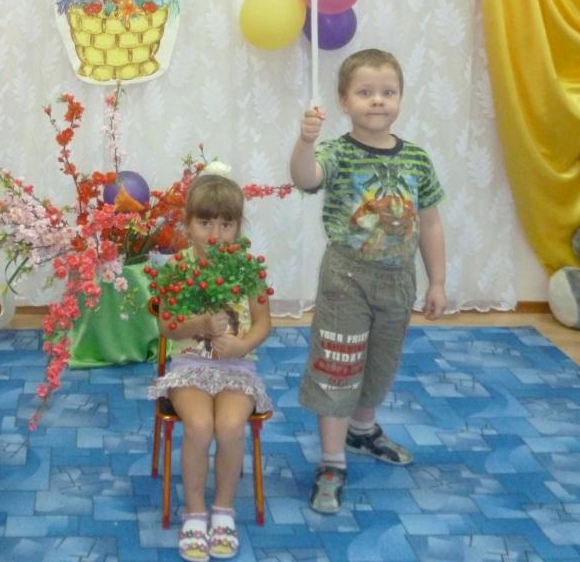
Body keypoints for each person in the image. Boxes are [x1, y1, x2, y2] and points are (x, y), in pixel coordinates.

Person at [289, 47, 447, 515]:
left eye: (387, 92)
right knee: (338, 365)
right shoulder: (336, 152)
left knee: (381, 363)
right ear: (344, 100)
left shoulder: (417, 159)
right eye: (365, 92)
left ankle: (362, 430)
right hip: (346, 280)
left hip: (398, 280)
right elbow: (305, 178)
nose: (377, 100)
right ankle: (332, 462)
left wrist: (437, 281)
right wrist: (305, 142)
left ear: (400, 98)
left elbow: (430, 222)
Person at [149, 173, 273, 562]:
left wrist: (242, 345)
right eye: (205, 223)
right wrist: (201, 324)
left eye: (226, 224)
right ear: (187, 225)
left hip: (238, 367)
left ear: (238, 227)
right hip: (190, 365)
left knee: (231, 426)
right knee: (200, 427)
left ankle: (223, 510)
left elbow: (264, 323)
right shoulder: (176, 268)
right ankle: (194, 513)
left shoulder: (248, 268)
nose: (215, 234)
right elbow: (167, 327)